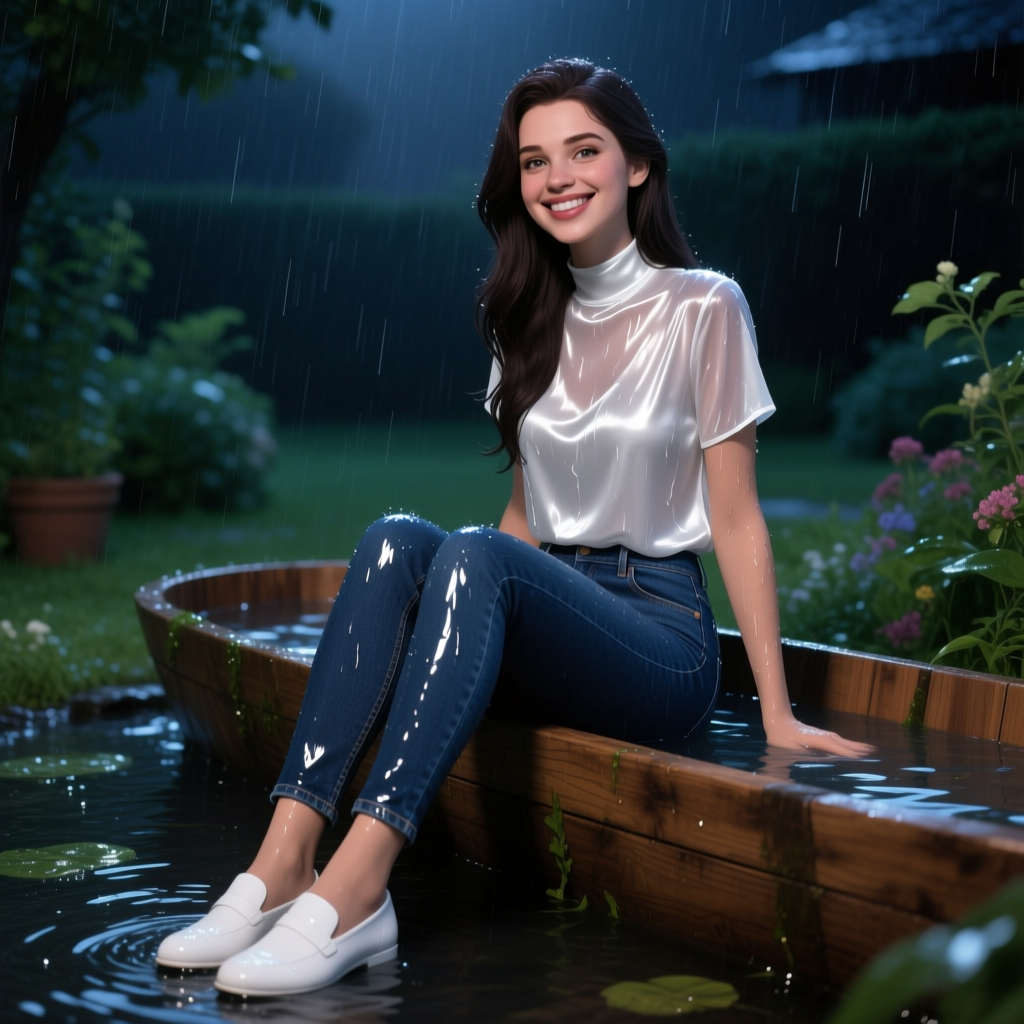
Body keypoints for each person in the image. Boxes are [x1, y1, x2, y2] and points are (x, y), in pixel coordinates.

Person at [156, 58, 872, 998]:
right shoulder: (524, 315)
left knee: (472, 552)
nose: (558, 177)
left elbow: (735, 518)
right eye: (534, 161)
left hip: (658, 634)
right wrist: (454, 601)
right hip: (550, 607)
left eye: (585, 150)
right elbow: (525, 521)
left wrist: (776, 715)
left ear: (639, 167)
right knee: (394, 538)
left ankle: (359, 888)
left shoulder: (705, 305)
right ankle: (281, 861)